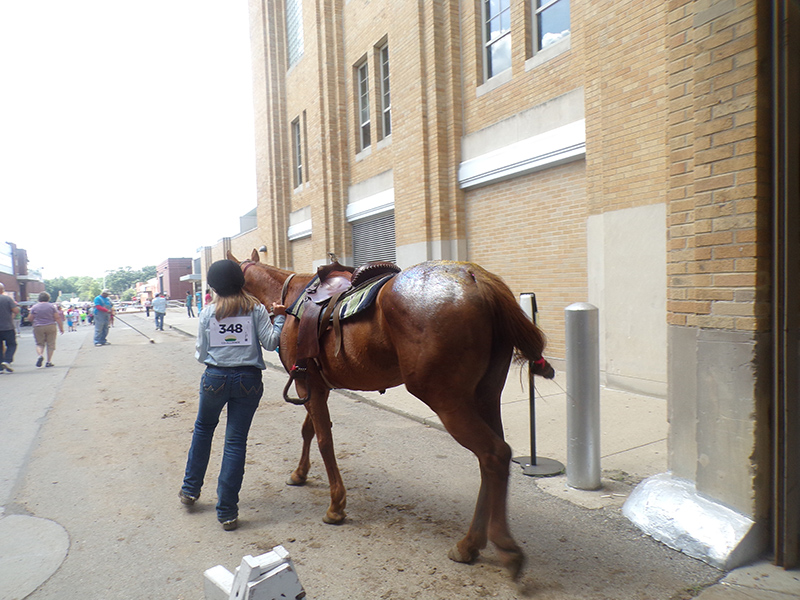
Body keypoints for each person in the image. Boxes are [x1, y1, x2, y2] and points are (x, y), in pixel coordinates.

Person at [179, 259, 286, 531]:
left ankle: (190, 490)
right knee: (235, 443)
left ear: (213, 286)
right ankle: (227, 512)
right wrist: (281, 317)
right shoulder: (257, 310)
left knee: (203, 430)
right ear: (241, 282)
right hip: (249, 380)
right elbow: (272, 344)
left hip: (215, 378)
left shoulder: (207, 313)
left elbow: (201, 354)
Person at [28, 291, 63, 367]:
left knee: (39, 344)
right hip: (50, 326)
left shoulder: (34, 307)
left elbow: (30, 318)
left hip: (38, 327)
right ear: (48, 298)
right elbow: (57, 317)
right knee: (51, 344)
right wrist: (61, 328)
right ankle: (48, 361)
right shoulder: (51, 306)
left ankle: (40, 355)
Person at [0, 282, 20, 373]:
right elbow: (16, 310)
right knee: (12, 344)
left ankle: (0, 367)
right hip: (7, 326)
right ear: (2, 290)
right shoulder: (7, 299)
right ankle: (7, 360)